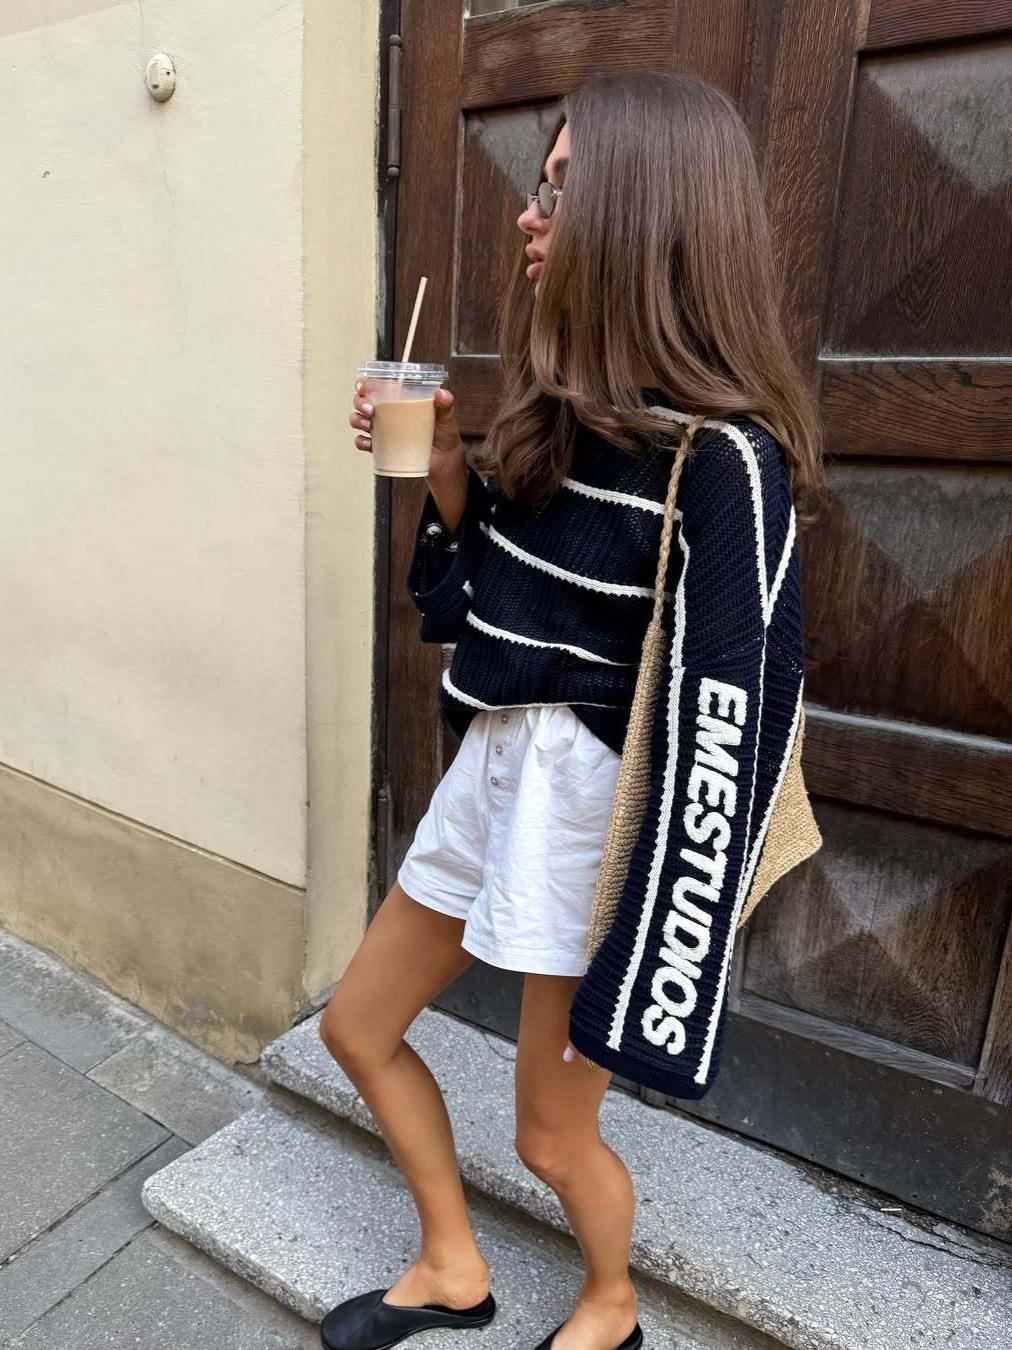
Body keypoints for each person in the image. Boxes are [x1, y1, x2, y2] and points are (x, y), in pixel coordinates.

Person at [320, 68, 824, 1350]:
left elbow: (732, 720)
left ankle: (611, 1302)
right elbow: (494, 598)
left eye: (558, 191)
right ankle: (452, 1265)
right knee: (356, 1027)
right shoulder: (560, 409)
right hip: (498, 769)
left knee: (550, 1133)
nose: (528, 216)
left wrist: (656, 944)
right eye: (538, 189)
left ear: (643, 212)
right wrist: (445, 471)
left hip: (593, 819)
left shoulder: (725, 462)